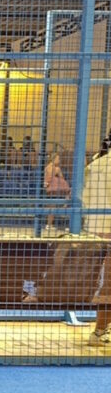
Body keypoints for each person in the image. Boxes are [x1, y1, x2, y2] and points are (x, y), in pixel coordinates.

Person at [82, 130, 111, 346]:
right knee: (108, 284)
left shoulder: (95, 164)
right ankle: (100, 331)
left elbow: (85, 201)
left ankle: (101, 329)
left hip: (98, 232)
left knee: (107, 282)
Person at [43, 149, 70, 233]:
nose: (59, 160)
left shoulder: (48, 167)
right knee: (52, 207)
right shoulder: (55, 168)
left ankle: (49, 224)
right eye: (58, 159)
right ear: (53, 159)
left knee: (51, 207)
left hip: (50, 189)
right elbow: (61, 178)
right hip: (53, 189)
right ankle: (49, 224)